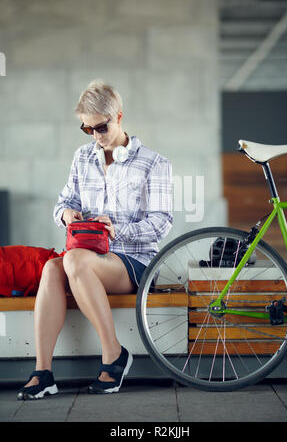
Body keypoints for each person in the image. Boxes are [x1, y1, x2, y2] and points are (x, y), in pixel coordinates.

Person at [17, 80, 173, 399]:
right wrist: (66, 214)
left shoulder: (154, 163)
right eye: (86, 129)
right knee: (51, 268)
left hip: (136, 261)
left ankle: (113, 354)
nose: (95, 136)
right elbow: (63, 201)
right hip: (89, 258)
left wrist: (118, 228)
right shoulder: (83, 158)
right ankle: (43, 372)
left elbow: (162, 222)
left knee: (72, 261)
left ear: (118, 116)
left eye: (100, 128)